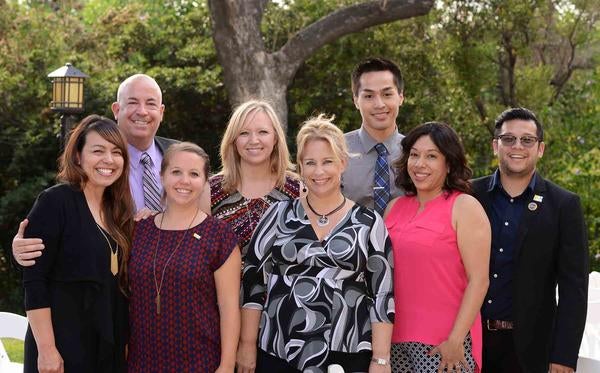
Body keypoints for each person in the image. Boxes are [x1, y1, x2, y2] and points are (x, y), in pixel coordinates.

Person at [237, 114, 395, 373]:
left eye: (327, 162)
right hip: (279, 349)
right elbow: (253, 282)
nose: (318, 172)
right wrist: (246, 344)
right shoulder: (277, 215)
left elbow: (382, 295)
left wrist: (381, 359)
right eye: (310, 163)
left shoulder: (369, 223)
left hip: (345, 350)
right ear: (300, 166)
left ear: (342, 163)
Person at [13, 73, 178, 265]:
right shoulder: (98, 168)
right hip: (114, 285)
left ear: (162, 111)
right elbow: (56, 234)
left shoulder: (182, 157)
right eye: (132, 102)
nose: (142, 111)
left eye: (150, 104)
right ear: (116, 109)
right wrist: (20, 253)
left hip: (176, 282)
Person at [472, 108, 588, 373]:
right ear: (495, 145)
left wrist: (564, 356)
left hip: (532, 350)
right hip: (469, 343)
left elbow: (574, 289)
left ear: (540, 149)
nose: (517, 147)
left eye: (527, 140)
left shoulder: (564, 205)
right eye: (508, 139)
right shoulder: (468, 196)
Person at [21, 115, 133, 373]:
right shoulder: (55, 202)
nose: (108, 159)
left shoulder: (118, 210)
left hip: (107, 346)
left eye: (116, 152)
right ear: (78, 156)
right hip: (62, 347)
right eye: (98, 150)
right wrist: (47, 350)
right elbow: (34, 281)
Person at [384, 122, 491, 372]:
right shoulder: (394, 208)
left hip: (443, 345)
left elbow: (480, 280)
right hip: (393, 340)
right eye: (414, 155)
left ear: (449, 163)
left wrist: (455, 340)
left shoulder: (464, 207)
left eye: (431, 156)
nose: (420, 164)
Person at [127, 142, 241, 372]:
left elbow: (229, 306)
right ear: (162, 176)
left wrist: (227, 365)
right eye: (176, 172)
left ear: (205, 181)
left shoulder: (219, 236)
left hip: (200, 362)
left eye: (194, 174)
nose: (184, 181)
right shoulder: (138, 230)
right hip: (142, 361)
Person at [201, 99, 299, 257]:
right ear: (234, 140)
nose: (254, 140)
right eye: (244, 133)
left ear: (275, 139)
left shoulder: (298, 190)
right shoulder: (210, 190)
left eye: (263, 132)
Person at [343, 57, 405, 215]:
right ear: (356, 100)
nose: (379, 104)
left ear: (400, 97)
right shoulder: (335, 150)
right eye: (369, 96)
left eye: (387, 94)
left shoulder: (416, 152)